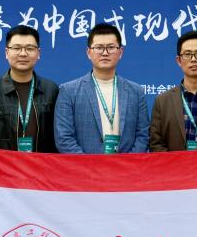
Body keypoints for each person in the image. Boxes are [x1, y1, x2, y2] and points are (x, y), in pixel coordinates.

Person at [54, 23, 149, 154]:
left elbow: (143, 136)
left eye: (111, 47)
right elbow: (64, 138)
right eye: (98, 48)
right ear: (88, 52)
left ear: (120, 52)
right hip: (84, 166)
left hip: (126, 166)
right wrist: (91, 165)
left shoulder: (136, 91)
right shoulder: (68, 91)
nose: (105, 53)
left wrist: (127, 163)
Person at [0, 25, 59, 153]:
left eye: (30, 48)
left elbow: (57, 139)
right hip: (0, 165)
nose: (23, 53)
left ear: (38, 53)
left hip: (40, 164)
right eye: (17, 48)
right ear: (6, 52)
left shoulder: (51, 90)